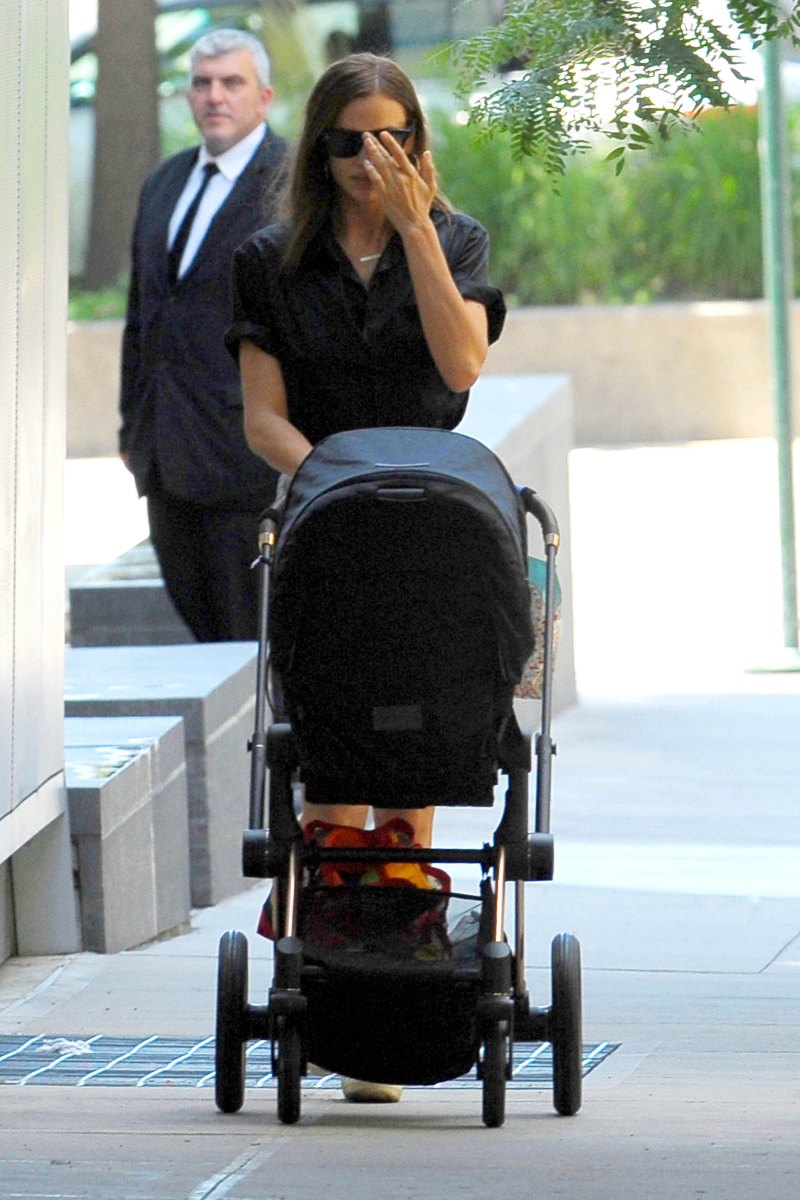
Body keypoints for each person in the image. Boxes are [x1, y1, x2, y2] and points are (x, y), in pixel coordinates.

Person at [226, 53, 506, 1101]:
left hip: (435, 528)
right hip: (324, 520)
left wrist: (419, 227)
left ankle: (400, 967)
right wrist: (338, 481)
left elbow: (460, 366)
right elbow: (262, 416)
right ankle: (342, 985)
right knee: (336, 741)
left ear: (415, 145)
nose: (365, 161)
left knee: (419, 737)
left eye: (388, 139)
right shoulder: (269, 261)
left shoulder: (457, 239)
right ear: (316, 147)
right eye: (346, 141)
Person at [119, 29, 287, 642]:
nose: (215, 96)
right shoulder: (163, 184)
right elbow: (143, 313)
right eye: (202, 83)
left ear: (263, 97)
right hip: (165, 458)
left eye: (231, 83)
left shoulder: (290, 185)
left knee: (252, 640)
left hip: (244, 459)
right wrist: (130, 427)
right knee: (204, 633)